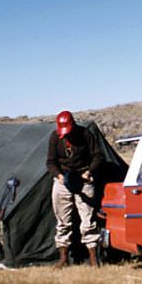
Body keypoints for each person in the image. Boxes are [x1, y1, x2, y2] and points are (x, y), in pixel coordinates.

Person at [46, 110, 104, 269]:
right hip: (63, 179)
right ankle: (63, 258)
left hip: (84, 178)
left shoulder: (85, 134)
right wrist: (59, 176)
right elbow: (50, 162)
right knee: (63, 221)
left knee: (88, 220)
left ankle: (93, 258)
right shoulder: (55, 137)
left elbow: (98, 156)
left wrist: (88, 172)